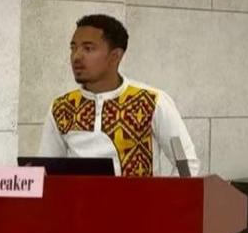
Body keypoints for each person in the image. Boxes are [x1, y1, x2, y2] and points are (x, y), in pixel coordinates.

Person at [38, 14, 200, 177]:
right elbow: (45, 171)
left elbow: (187, 166)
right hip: (77, 195)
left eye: (88, 48)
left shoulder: (151, 101)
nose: (76, 56)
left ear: (115, 56)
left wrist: (161, 194)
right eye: (73, 48)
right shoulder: (62, 107)